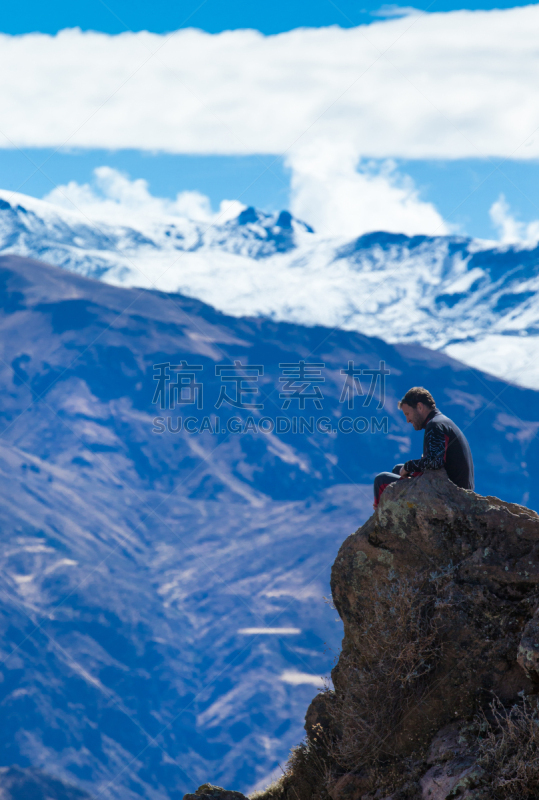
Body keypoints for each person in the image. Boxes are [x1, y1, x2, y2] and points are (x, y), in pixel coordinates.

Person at [373, 386, 474, 508]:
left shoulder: (435, 426)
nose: (407, 420)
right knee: (397, 470)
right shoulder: (443, 422)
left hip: (449, 495)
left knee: (381, 480)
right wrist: (407, 468)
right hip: (455, 490)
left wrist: (409, 466)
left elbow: (435, 462)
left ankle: (380, 518)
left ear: (420, 407)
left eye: (408, 414)